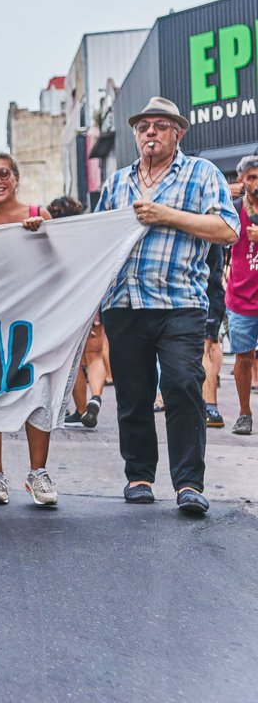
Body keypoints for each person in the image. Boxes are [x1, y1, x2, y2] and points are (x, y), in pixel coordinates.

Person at [95, 96, 239, 515]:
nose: (150, 133)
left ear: (178, 132)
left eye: (160, 126)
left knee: (181, 387)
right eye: (143, 127)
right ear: (136, 135)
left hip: (180, 304)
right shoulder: (118, 183)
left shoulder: (201, 173)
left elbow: (227, 229)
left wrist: (166, 215)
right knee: (133, 396)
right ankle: (138, 476)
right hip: (125, 304)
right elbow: (98, 238)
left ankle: (189, 484)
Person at [0, 151, 58, 506]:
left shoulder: (39, 215)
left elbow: (61, 265)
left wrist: (42, 237)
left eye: (3, 173)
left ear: (17, 178)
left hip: (32, 322)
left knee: (38, 395)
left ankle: (38, 473)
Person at [47, 197, 109, 430]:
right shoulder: (89, 239)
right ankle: (96, 397)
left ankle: (81, 410)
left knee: (72, 360)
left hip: (67, 306)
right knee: (94, 355)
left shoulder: (53, 241)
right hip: (94, 301)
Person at [225, 156, 258, 435]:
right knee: (243, 357)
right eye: (249, 177)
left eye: (257, 177)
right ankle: (244, 412)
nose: (254, 183)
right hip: (241, 298)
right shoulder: (234, 210)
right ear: (241, 181)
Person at [201, 244, 227, 428]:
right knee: (211, 346)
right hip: (214, 295)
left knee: (204, 351)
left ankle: (210, 407)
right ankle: (209, 405)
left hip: (207, 295)